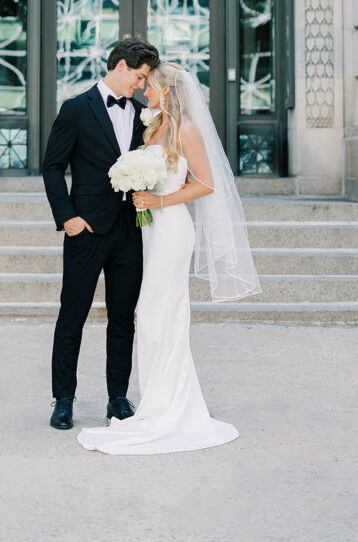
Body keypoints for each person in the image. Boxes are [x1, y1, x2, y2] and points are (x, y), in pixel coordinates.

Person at [76, 62, 261, 455]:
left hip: (173, 229)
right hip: (150, 230)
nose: (144, 90)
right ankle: (156, 401)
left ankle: (171, 409)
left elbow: (207, 184)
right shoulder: (155, 127)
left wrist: (158, 199)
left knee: (165, 312)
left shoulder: (187, 129)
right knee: (152, 315)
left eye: (151, 85)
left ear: (169, 90)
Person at [42, 36, 160, 431]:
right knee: (72, 315)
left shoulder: (144, 114)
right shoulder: (75, 109)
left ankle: (118, 398)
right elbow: (53, 166)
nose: (142, 86)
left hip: (129, 230)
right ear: (121, 67)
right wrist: (69, 218)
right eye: (140, 77)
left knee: (123, 319)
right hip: (86, 230)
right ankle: (63, 399)